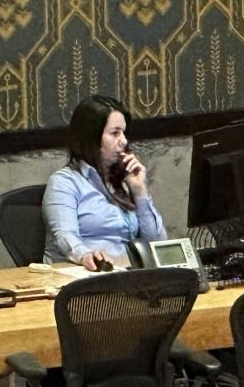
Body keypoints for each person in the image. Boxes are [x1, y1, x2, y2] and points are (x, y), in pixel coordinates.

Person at [42, 94, 166, 270]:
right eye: (115, 133)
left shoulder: (124, 182)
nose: (124, 141)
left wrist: (140, 191)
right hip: (86, 273)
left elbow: (156, 244)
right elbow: (64, 236)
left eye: (124, 133)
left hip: (127, 273)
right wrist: (86, 255)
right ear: (91, 137)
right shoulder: (64, 183)